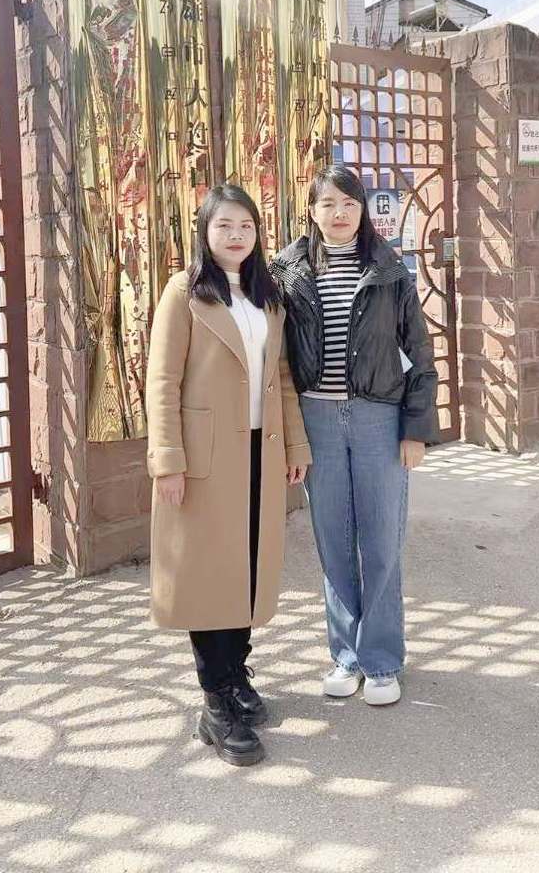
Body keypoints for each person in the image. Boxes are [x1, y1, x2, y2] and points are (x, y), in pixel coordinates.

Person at [146, 184, 311, 766]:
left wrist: (295, 444)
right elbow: (162, 381)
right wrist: (168, 460)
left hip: (260, 452)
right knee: (207, 575)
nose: (236, 235)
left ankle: (237, 673)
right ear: (205, 232)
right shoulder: (185, 292)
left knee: (247, 570)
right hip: (205, 458)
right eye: (224, 226)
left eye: (245, 225)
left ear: (257, 233)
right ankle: (215, 701)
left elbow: (282, 377)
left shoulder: (267, 295)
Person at [271, 165, 439, 707]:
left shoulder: (390, 270)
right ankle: (345, 655)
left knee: (381, 540)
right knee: (333, 540)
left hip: (378, 418)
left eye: (348, 203)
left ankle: (382, 660)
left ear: (362, 209)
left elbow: (419, 353)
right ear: (312, 211)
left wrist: (415, 430)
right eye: (327, 204)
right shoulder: (288, 272)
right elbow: (275, 358)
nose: (338, 213)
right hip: (317, 419)